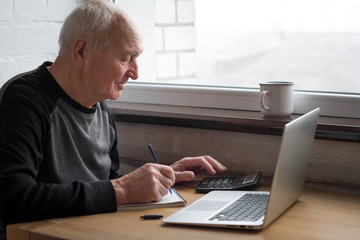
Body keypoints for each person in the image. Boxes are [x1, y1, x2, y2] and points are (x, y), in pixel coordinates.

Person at [0, 0, 226, 238]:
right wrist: (121, 189)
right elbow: (13, 200)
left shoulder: (100, 107)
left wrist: (161, 178)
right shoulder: (23, 100)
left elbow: (103, 186)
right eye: (126, 58)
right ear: (81, 51)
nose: (135, 73)